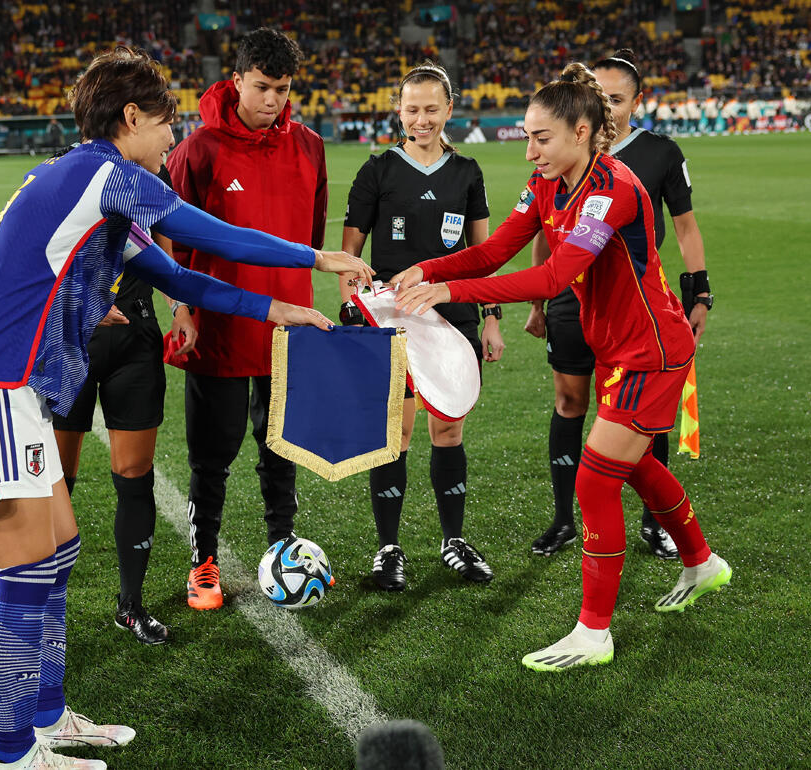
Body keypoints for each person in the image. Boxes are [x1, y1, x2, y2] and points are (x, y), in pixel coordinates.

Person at [0, 47, 371, 769]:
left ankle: (48, 720)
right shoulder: (108, 175)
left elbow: (182, 278)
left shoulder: (93, 184)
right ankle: (11, 756)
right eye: (166, 124)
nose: (173, 138)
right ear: (130, 118)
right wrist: (317, 259)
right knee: (28, 574)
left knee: (60, 549)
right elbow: (210, 235)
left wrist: (276, 309)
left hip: (14, 390)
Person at [393, 62, 731, 670]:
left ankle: (594, 632)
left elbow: (553, 276)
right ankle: (702, 562)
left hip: (652, 351)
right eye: (525, 135)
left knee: (595, 479)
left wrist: (452, 294)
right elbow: (498, 249)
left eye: (540, 138)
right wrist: (430, 270)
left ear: (581, 131)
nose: (529, 151)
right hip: (621, 352)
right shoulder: (547, 182)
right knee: (626, 468)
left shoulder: (614, 188)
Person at [524, 49, 713, 559]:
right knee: (570, 404)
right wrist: (539, 302)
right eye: (596, 96)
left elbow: (685, 225)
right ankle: (565, 519)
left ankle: (657, 526)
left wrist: (701, 292)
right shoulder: (559, 160)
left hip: (632, 312)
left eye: (613, 99)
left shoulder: (653, 157)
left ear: (634, 101)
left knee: (638, 421)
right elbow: (543, 233)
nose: (602, 107)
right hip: (571, 300)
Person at [166, 27, 328, 611]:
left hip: (291, 329)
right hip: (221, 329)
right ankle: (203, 561)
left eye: (283, 89)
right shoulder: (197, 151)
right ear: (236, 81)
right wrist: (184, 309)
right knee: (213, 455)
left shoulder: (310, 146)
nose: (273, 101)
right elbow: (173, 250)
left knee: (280, 446)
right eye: (262, 87)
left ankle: (282, 548)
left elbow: (309, 239)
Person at [340, 63, 502, 591]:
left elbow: (483, 256)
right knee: (397, 434)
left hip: (453, 315)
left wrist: (491, 319)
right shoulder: (377, 171)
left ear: (449, 110)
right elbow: (350, 255)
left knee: (448, 428)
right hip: (394, 318)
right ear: (399, 111)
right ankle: (388, 551)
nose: (422, 119)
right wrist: (354, 306)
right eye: (412, 109)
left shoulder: (468, 172)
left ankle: (453, 540)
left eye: (433, 109)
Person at [51, 161, 197, 645]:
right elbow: (38, 251)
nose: (169, 141)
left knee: (135, 475)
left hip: (135, 337)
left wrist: (180, 307)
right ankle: (44, 601)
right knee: (56, 479)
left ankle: (131, 604)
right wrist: (80, 303)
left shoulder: (153, 177)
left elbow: (165, 249)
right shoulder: (68, 168)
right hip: (70, 338)